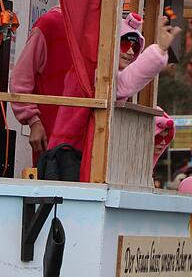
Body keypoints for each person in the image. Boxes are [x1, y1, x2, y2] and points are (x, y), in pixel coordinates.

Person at [47, 13, 182, 179]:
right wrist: (158, 51)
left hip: (82, 157)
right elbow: (123, 85)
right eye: (125, 44)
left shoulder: (100, 71)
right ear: (110, 44)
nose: (131, 51)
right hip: (69, 157)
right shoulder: (91, 72)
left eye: (135, 46)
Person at [10, 6, 72, 161]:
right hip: (52, 138)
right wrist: (34, 121)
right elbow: (20, 79)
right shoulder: (50, 24)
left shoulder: (99, 27)